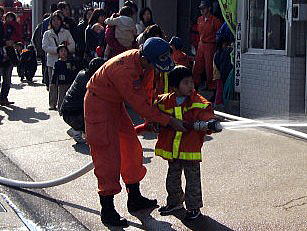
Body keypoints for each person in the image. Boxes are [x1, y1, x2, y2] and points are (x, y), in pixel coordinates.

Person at [84, 37, 186, 227]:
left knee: (131, 147)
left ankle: (135, 197)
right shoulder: (125, 71)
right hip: (98, 103)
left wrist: (152, 119)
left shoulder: (145, 65)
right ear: (147, 58)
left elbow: (146, 94)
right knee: (108, 156)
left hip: (114, 104)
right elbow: (139, 105)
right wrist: (168, 120)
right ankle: (107, 210)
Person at [154, 65, 216, 220]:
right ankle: (175, 202)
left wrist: (211, 123)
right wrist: (156, 123)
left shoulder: (197, 101)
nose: (190, 86)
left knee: (193, 181)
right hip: (173, 151)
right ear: (174, 87)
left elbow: (206, 114)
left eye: (191, 82)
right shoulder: (164, 101)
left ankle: (194, 208)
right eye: (186, 83)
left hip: (190, 149)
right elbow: (154, 112)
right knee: (172, 179)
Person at [61, 57, 104, 143]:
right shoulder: (88, 81)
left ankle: (77, 129)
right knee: (95, 115)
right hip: (72, 113)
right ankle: (77, 131)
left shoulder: (82, 73)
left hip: (67, 110)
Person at [42, 12, 75, 110]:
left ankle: (63, 103)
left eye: (58, 20)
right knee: (53, 83)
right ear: (51, 22)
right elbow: (44, 46)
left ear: (61, 21)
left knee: (64, 84)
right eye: (54, 20)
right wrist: (57, 50)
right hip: (52, 61)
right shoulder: (47, 33)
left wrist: (64, 50)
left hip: (64, 62)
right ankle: (52, 103)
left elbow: (73, 45)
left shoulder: (66, 32)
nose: (56, 22)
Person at [192, 0, 222, 90]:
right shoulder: (199, 19)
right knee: (197, 66)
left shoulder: (215, 20)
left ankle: (211, 86)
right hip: (201, 44)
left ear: (209, 8)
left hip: (210, 45)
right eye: (201, 8)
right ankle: (195, 85)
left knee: (209, 67)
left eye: (203, 8)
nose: (202, 10)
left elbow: (219, 34)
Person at [213, 22, 234, 107]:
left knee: (220, 87)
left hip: (219, 71)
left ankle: (218, 103)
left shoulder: (219, 52)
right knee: (221, 88)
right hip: (221, 72)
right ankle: (219, 103)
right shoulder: (224, 52)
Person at [51, 44, 77, 112]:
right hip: (61, 82)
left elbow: (74, 71)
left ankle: (69, 108)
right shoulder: (57, 63)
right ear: (58, 53)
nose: (63, 52)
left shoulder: (70, 62)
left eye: (65, 51)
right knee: (61, 96)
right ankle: (60, 109)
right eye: (61, 51)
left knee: (70, 96)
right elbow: (55, 74)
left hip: (70, 81)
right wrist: (53, 82)